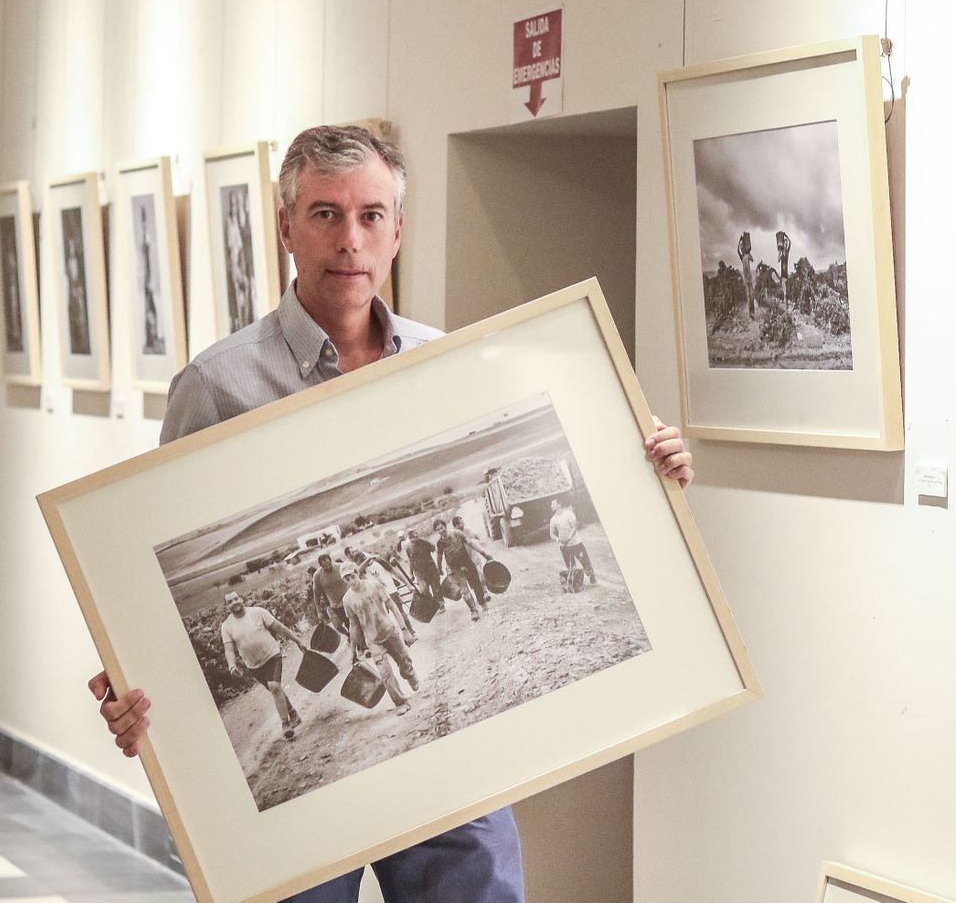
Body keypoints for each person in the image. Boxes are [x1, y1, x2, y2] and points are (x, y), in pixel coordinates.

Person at [88, 124, 692, 903]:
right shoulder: (217, 387)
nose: (351, 240)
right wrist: (132, 685)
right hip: (291, 819)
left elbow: (570, 463)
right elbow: (141, 573)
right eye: (325, 214)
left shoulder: (453, 365)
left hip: (452, 774)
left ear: (399, 232)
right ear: (285, 228)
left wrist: (651, 471)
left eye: (372, 215)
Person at [219, 590, 304, 739]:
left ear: (241, 598)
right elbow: (229, 650)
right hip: (253, 665)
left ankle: (285, 724)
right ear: (227, 607)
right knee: (275, 690)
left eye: (236, 599)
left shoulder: (258, 612)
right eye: (230, 602)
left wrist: (297, 640)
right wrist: (232, 665)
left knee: (274, 686)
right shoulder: (227, 626)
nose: (234, 603)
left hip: (272, 655)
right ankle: (292, 712)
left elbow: (279, 627)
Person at [341, 562, 417, 716]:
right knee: (385, 673)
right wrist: (353, 651)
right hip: (373, 641)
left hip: (390, 632)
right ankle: (401, 702)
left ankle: (410, 675)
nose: (351, 581)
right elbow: (354, 626)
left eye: (352, 576)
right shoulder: (347, 600)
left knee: (404, 662)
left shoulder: (374, 585)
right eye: (347, 579)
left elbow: (393, 606)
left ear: (357, 572)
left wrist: (405, 630)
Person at [437, 516, 495, 615]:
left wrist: (484, 554)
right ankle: (473, 611)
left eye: (441, 528)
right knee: (464, 591)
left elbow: (471, 544)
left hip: (467, 563)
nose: (440, 531)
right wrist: (439, 568)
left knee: (476, 585)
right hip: (455, 569)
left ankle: (484, 606)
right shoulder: (440, 543)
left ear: (445, 527)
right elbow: (439, 556)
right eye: (438, 530)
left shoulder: (458, 534)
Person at [548, 498, 595, 586]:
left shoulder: (569, 514)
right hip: (564, 547)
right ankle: (577, 584)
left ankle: (593, 579)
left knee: (585, 563)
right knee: (571, 567)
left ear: (559, 504)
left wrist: (569, 538)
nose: (551, 506)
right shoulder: (553, 519)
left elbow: (574, 527)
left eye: (553, 504)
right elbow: (552, 534)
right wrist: (558, 540)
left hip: (576, 543)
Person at [312, 553, 350, 636]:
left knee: (355, 622)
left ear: (331, 561)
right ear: (321, 566)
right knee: (346, 625)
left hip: (350, 600)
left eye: (329, 564)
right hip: (337, 606)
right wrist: (319, 611)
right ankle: (351, 637)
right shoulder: (317, 576)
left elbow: (352, 578)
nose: (328, 567)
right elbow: (316, 595)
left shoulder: (340, 567)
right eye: (325, 566)